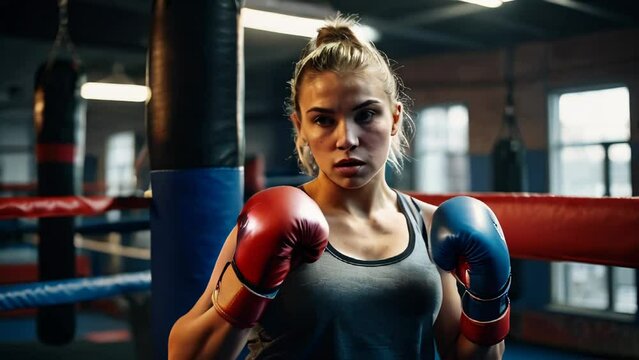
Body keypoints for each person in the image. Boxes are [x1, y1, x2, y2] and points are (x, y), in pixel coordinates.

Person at [168, 15, 510, 359]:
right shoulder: (271, 222)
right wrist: (248, 289)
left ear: (394, 118)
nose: (346, 139)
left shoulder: (430, 226)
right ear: (300, 126)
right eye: (323, 120)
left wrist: (488, 301)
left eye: (365, 115)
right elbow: (184, 354)